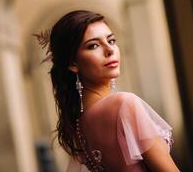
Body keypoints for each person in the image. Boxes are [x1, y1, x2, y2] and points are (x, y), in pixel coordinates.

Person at [35, 10, 180, 172]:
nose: (109, 50)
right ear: (72, 63)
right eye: (93, 45)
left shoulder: (78, 124)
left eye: (111, 41)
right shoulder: (125, 104)